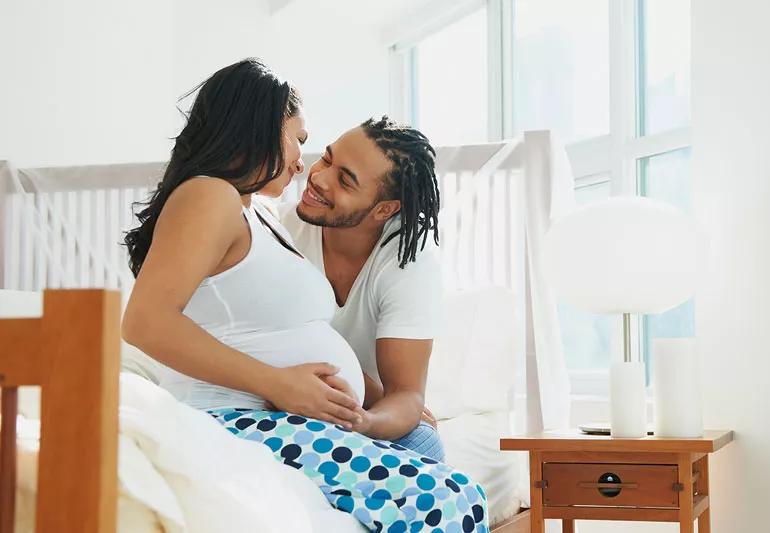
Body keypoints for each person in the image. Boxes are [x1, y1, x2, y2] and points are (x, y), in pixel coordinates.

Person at [122, 58, 488, 532]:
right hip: (235, 417)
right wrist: (278, 384)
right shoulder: (209, 196)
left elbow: (287, 329)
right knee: (455, 501)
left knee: (424, 446)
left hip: (282, 417)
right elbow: (145, 322)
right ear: (256, 128)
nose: (305, 164)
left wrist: (370, 398)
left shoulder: (260, 213)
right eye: (300, 140)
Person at [279, 117, 446, 462]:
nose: (318, 177)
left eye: (345, 179)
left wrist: (362, 420)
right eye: (327, 158)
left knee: (423, 445)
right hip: (280, 395)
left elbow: (406, 397)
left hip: (357, 412)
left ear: (385, 209)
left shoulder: (407, 258)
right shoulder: (278, 232)